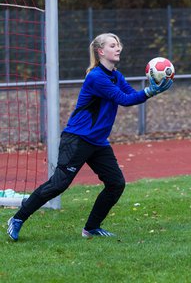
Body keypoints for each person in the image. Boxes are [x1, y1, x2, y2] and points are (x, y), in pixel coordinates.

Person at [7, 32, 173, 241]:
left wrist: (152, 91)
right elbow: (123, 99)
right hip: (77, 139)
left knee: (116, 184)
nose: (118, 47)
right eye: (113, 45)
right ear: (101, 51)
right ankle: (17, 219)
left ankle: (91, 228)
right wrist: (150, 92)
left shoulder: (116, 75)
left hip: (98, 142)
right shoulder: (96, 77)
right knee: (58, 184)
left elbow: (131, 95)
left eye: (119, 44)